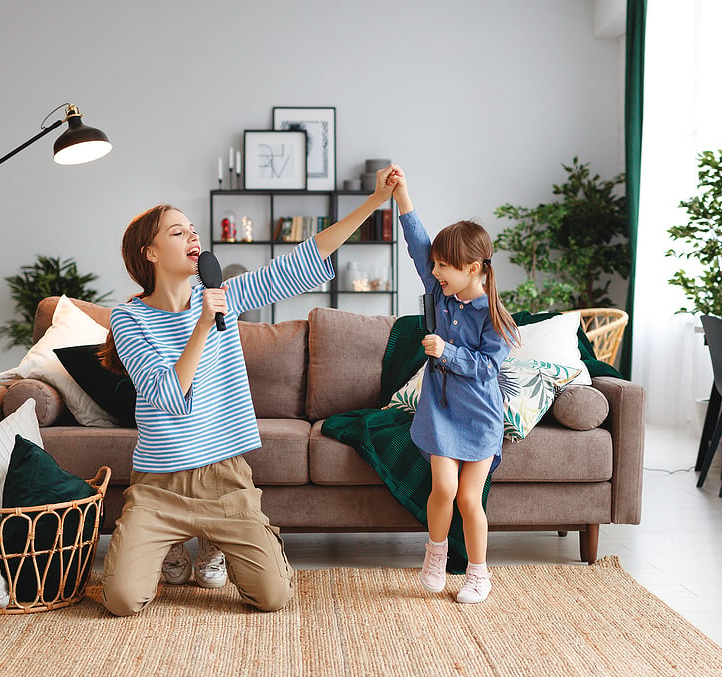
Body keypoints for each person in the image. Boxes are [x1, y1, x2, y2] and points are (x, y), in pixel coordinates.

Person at [98, 165, 399, 615]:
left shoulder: (226, 294)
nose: (192, 238)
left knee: (273, 597)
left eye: (193, 230)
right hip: (159, 483)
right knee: (120, 600)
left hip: (224, 478)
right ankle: (175, 543)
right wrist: (202, 325)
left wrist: (375, 202)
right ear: (151, 253)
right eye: (178, 232)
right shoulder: (129, 319)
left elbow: (299, 262)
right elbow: (166, 395)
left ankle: (217, 540)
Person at [391, 167, 519, 604]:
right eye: (436, 266)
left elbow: (486, 369)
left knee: (469, 498)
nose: (436, 270)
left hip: (480, 416)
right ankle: (435, 555)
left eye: (444, 266)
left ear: (470, 268)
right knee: (442, 488)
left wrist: (445, 351)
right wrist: (402, 195)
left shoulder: (496, 319)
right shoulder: (439, 293)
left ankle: (479, 574)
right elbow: (417, 244)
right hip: (439, 409)